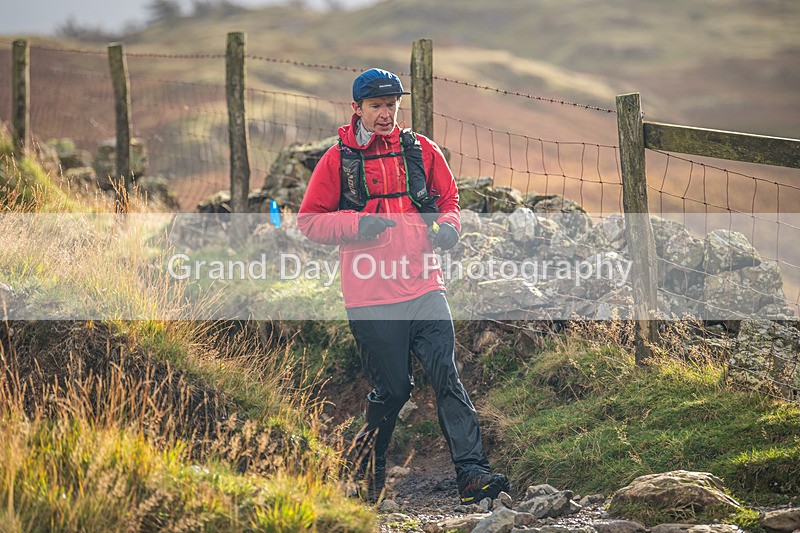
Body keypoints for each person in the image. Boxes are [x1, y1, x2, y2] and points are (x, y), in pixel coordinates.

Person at [297, 68, 509, 504]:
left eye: (392, 105)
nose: (385, 114)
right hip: (370, 296)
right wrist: (356, 224)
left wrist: (449, 227)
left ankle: (472, 476)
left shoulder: (420, 150)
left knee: (446, 375)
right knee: (394, 390)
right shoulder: (337, 160)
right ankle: (364, 473)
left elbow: (449, 200)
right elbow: (309, 221)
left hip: (425, 285)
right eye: (376, 106)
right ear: (356, 108)